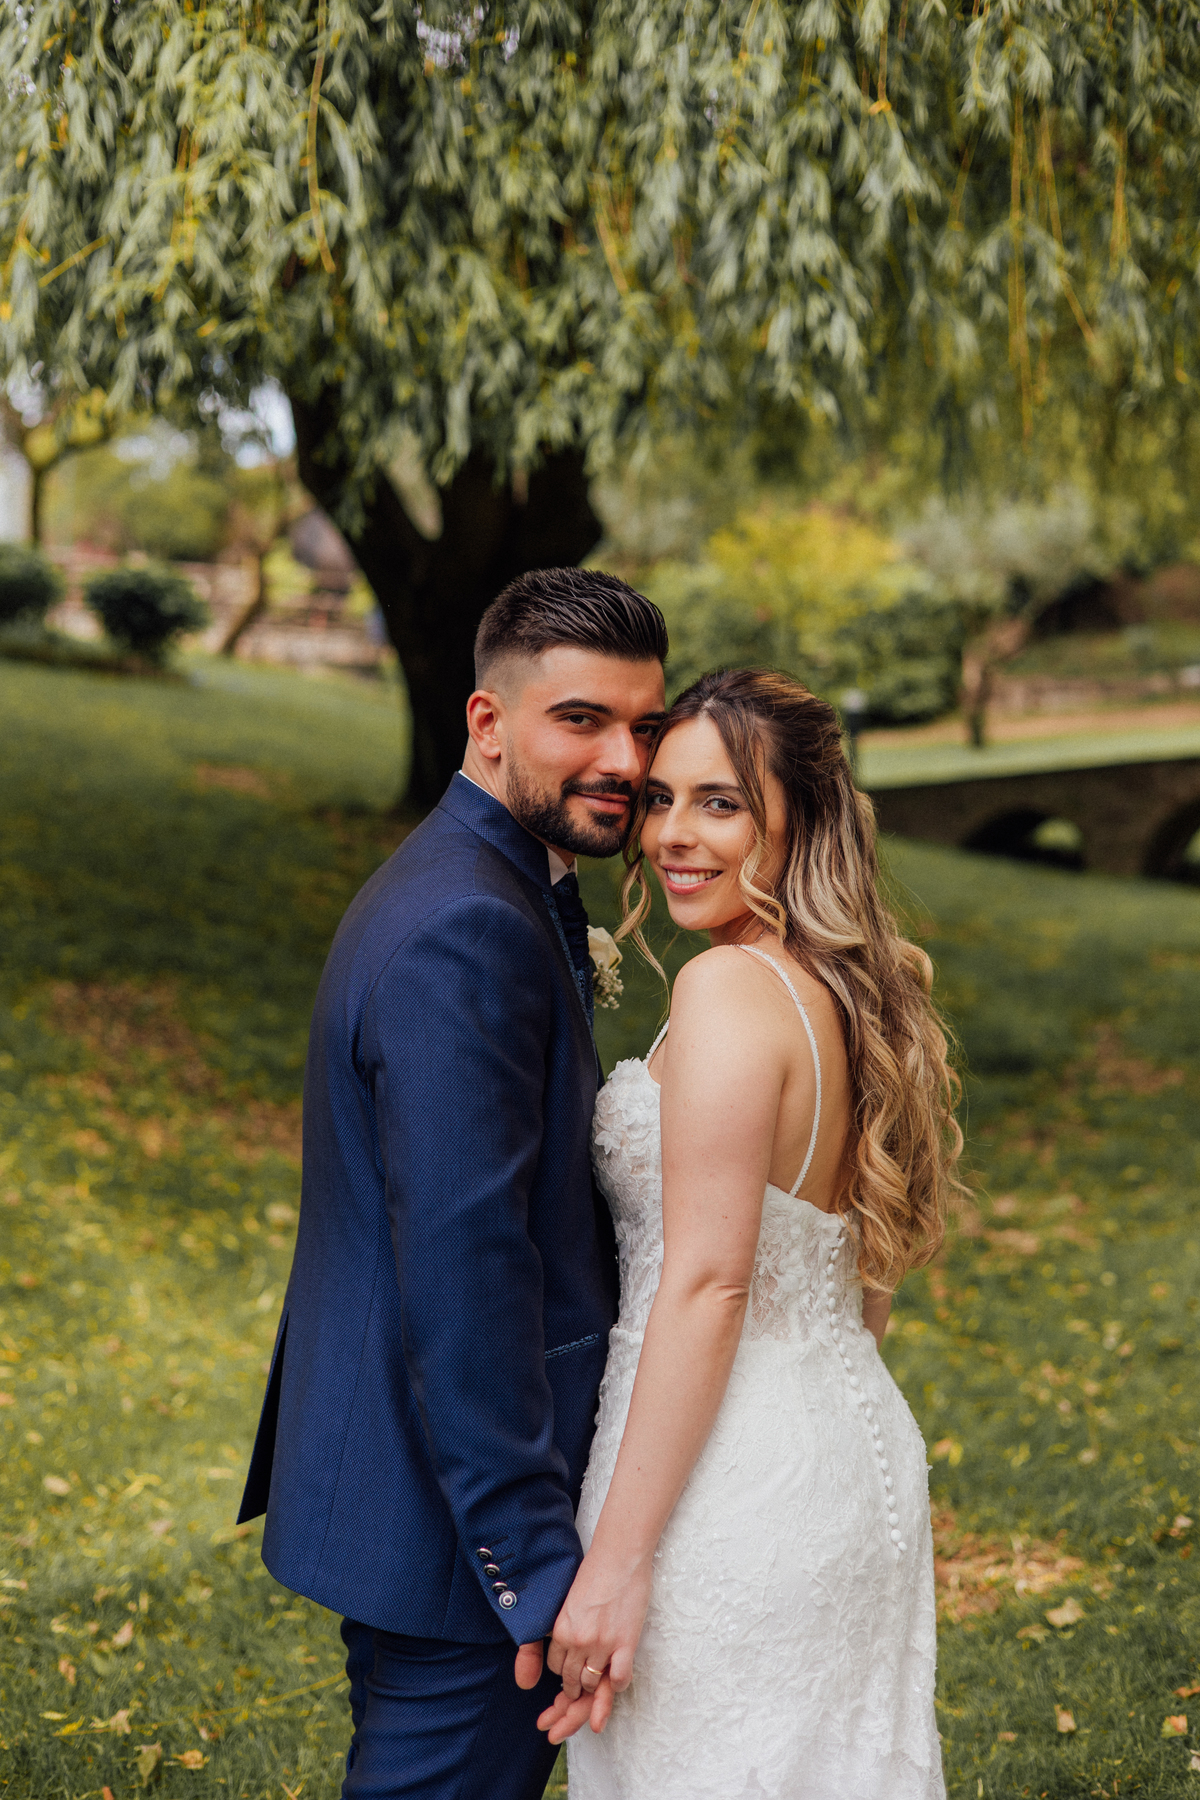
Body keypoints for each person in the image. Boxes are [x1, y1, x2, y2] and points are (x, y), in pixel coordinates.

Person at [236, 568, 668, 1800]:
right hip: (452, 1530)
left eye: (642, 726)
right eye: (580, 719)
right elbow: (468, 1274)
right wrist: (531, 1565)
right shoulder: (463, 929)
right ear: (488, 723)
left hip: (411, 1488)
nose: (624, 758)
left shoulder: (494, 880)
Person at [539, 667, 964, 1800]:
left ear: (802, 818)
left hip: (725, 1485)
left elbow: (712, 1283)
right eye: (664, 799)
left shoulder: (731, 989)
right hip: (846, 1443)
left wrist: (618, 1564)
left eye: (720, 803)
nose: (674, 835)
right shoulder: (852, 994)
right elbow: (859, 1273)